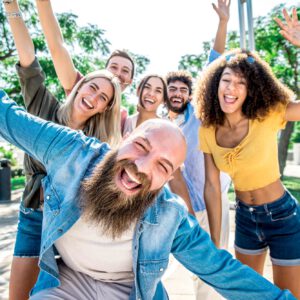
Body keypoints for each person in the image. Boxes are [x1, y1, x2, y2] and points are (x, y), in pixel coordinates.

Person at [0, 90, 297, 300]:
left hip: (131, 291)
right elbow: (9, 117)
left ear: (168, 179)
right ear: (125, 137)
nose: (140, 167)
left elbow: (221, 270)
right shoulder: (70, 151)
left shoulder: (170, 215)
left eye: (163, 165)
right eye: (141, 146)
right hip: (67, 282)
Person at [3, 1, 121, 299]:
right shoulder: (45, 107)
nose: (94, 97)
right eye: (92, 87)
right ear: (79, 86)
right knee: (18, 294)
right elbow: (28, 60)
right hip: (34, 217)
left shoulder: (96, 143)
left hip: (72, 228)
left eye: (103, 97)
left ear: (105, 108)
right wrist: (10, 6)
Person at [195, 8, 300, 298]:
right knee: (246, 296)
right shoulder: (208, 128)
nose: (232, 88)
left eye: (242, 83)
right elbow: (212, 187)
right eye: (227, 79)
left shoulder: (268, 114)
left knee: (289, 296)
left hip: (283, 216)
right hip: (245, 218)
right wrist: (217, 243)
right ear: (216, 84)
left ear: (251, 91)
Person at [164, 1, 231, 299]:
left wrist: (223, 23)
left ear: (190, 95)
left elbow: (214, 63)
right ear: (165, 93)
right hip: (178, 211)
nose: (177, 94)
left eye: (183, 90)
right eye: (172, 89)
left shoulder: (199, 115)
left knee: (213, 271)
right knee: (179, 269)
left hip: (212, 204)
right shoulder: (158, 127)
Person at [34, 0, 134, 129]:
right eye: (113, 67)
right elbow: (57, 47)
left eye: (125, 70)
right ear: (104, 70)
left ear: (130, 82)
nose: (118, 73)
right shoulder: (81, 86)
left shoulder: (123, 116)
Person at [123, 74, 195, 214]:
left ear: (163, 100)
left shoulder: (166, 130)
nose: (151, 93)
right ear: (139, 90)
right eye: (147, 87)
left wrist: (190, 216)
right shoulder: (125, 121)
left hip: (146, 205)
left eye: (158, 91)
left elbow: (177, 180)